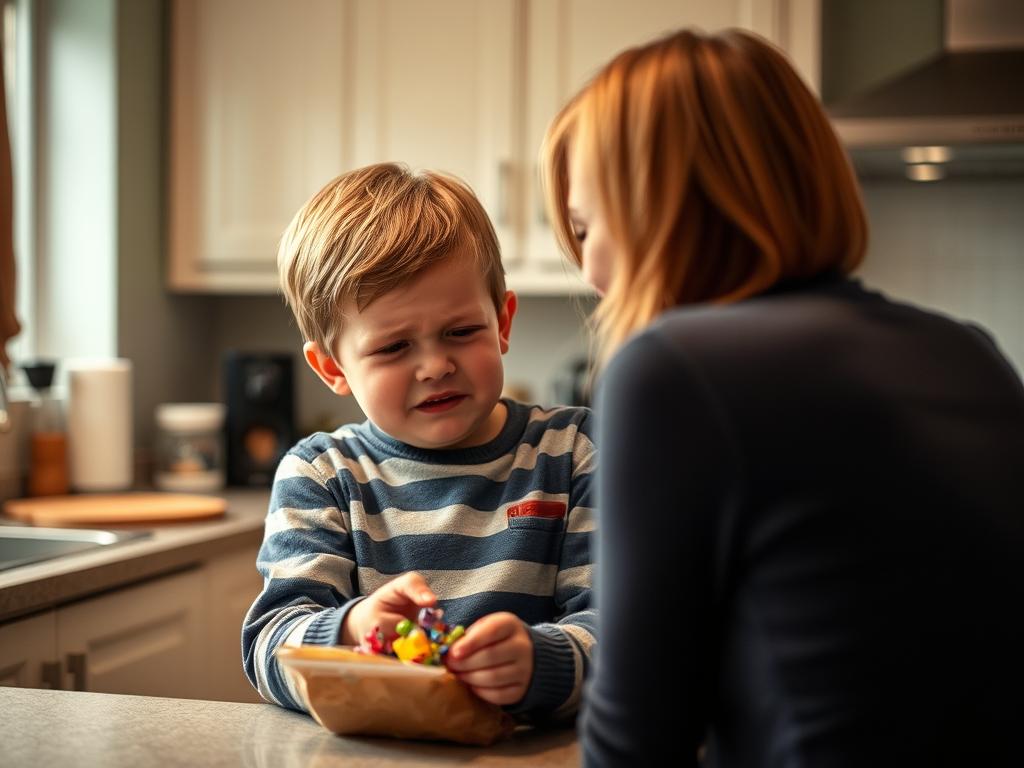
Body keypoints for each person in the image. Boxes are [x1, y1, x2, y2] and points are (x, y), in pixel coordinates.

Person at [541, 28, 1024, 767]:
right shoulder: (968, 350)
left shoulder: (671, 371)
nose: (591, 269)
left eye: (586, 226)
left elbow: (637, 738)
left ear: (658, 209)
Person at [242, 162, 596, 722]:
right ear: (331, 367)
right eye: (393, 347)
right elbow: (269, 644)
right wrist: (350, 630)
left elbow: (624, 631)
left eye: (461, 332)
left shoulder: (574, 452)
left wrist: (542, 661)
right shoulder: (321, 475)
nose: (435, 366)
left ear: (502, 322)